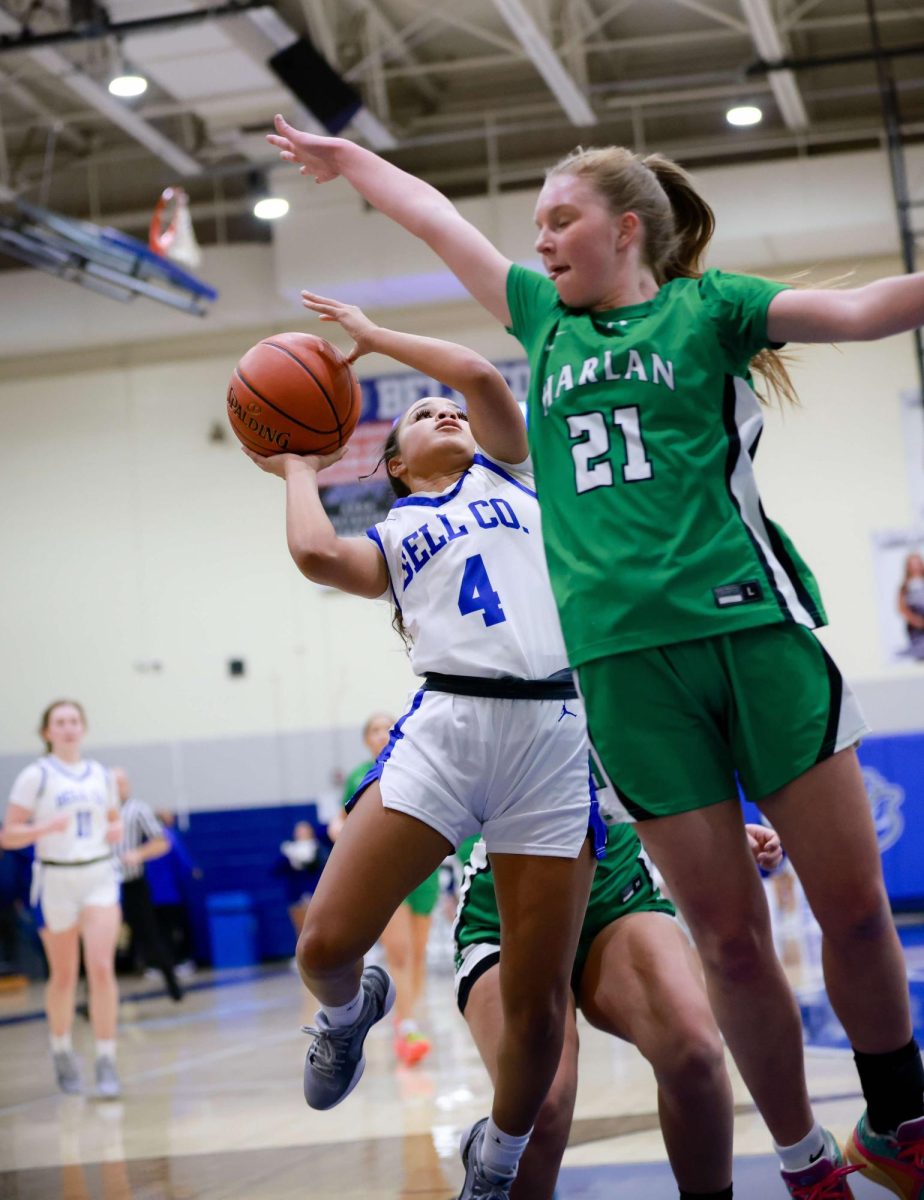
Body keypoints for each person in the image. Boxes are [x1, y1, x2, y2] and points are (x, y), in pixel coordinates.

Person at [267, 115, 924, 1199]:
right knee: (731, 940)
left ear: (626, 229)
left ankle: (900, 1117)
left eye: (560, 220)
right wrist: (351, 166)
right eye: (532, 227)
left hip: (750, 630)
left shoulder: (709, 309)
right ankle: (808, 1162)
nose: (539, 243)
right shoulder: (541, 322)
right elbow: (435, 220)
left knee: (853, 908)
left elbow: (854, 311)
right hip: (622, 675)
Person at [243, 295, 602, 1199]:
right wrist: (295, 462)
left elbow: (480, 374)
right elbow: (317, 555)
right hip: (445, 730)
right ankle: (349, 1009)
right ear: (393, 464)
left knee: (536, 1005)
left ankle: (503, 1150)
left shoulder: (519, 479)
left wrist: (375, 338)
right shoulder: (396, 533)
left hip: (553, 739)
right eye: (419, 413)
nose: (444, 408)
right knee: (323, 944)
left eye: (449, 410)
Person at [456, 820, 783, 1200]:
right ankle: (491, 1151)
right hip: (505, 921)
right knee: (540, 1102)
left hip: (617, 900)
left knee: (694, 1048)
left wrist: (711, 829)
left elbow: (652, 771)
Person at [1, 700, 123, 1098]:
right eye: (60, 722)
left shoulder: (101, 775)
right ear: (47, 732)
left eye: (74, 721)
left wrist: (116, 828)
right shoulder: (35, 776)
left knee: (102, 968)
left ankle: (106, 1058)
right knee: (65, 975)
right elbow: (8, 835)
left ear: (83, 728)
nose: (68, 728)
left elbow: (113, 818)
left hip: (99, 875)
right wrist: (42, 827)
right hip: (54, 878)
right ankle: (61, 1048)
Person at [338, 711, 442, 1067]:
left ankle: (408, 1016)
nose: (382, 733)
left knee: (418, 952)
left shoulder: (419, 766)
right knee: (398, 951)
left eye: (388, 727)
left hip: (422, 870)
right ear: (367, 739)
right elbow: (342, 823)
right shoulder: (358, 776)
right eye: (374, 729)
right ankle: (409, 1025)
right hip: (383, 873)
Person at [112, 768, 183, 1003]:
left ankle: (174, 987)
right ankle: (94, 1001)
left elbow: (162, 842)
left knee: (150, 936)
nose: (118, 787)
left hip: (132, 882)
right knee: (100, 942)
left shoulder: (137, 809)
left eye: (122, 783)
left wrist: (138, 854)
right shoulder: (96, 811)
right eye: (114, 783)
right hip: (103, 886)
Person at [897, 551, 924, 661]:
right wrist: (916, 621)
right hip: (915, 628)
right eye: (912, 564)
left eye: (917, 563)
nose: (915, 567)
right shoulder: (905, 586)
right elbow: (901, 607)